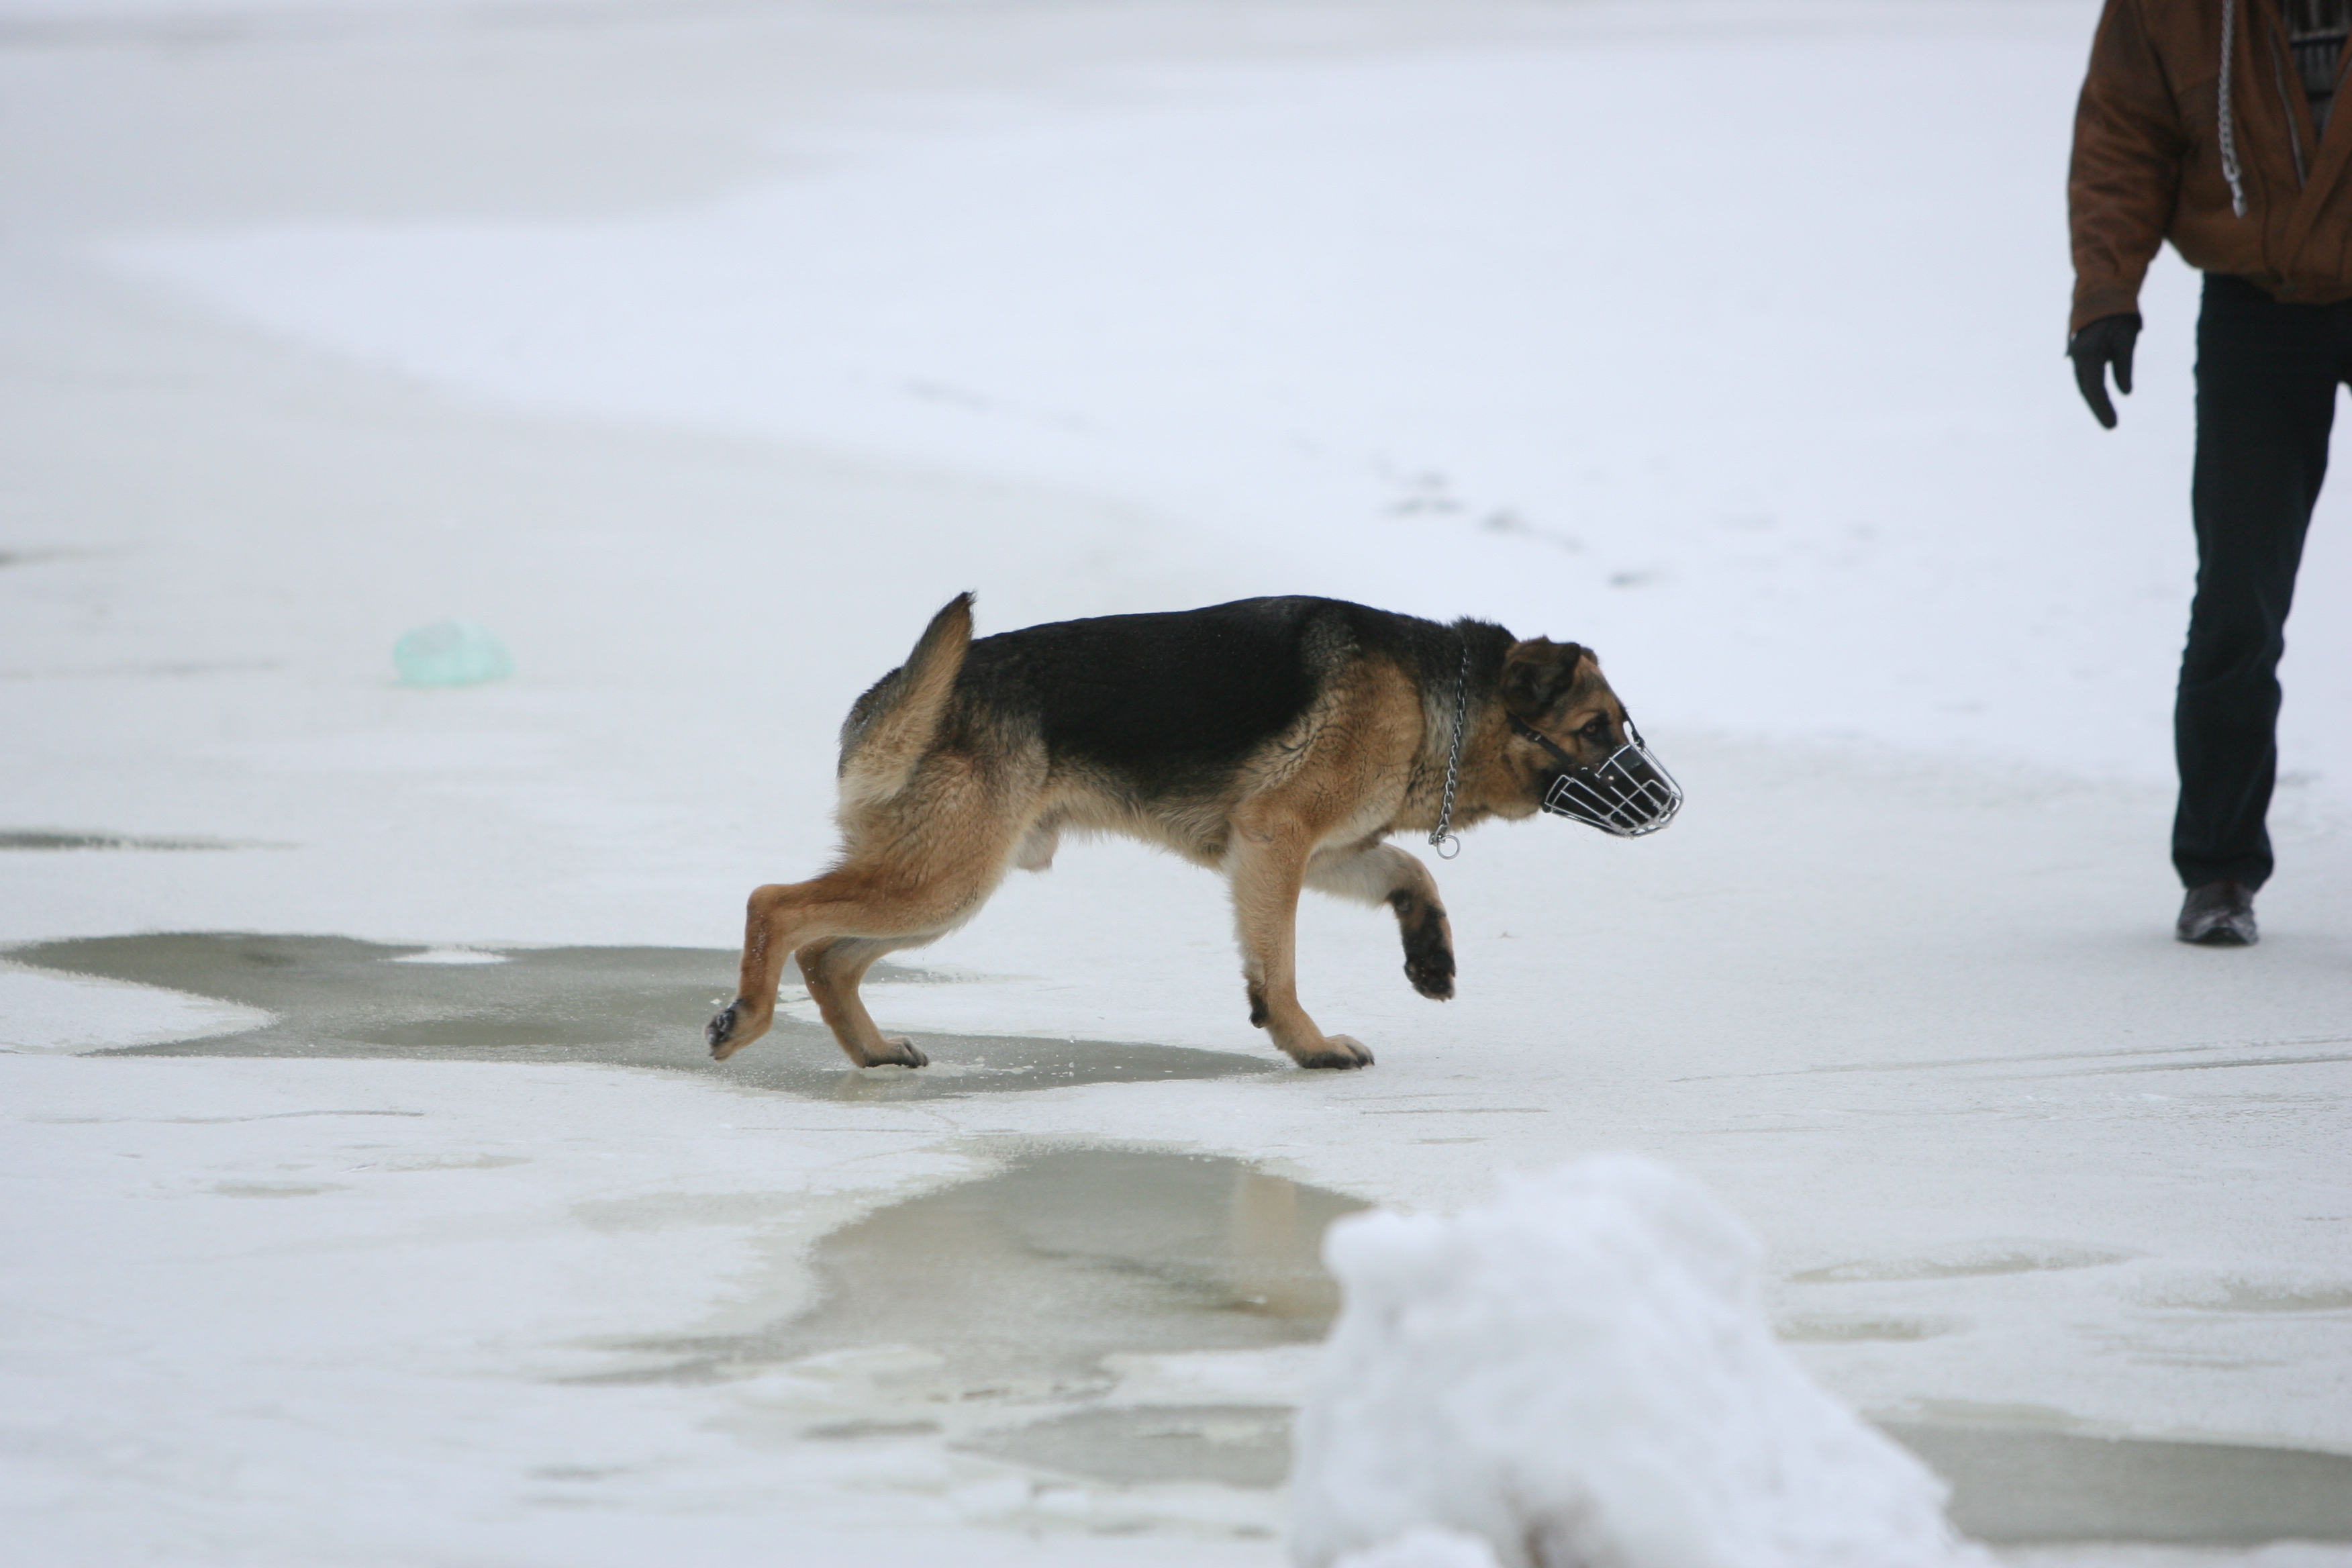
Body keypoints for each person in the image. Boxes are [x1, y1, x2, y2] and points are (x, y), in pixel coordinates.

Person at [2069, 0, 2351, 946]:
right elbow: (2123, 130)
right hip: (2257, 309)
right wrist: (2107, 290)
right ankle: (2219, 870)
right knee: (2238, 598)